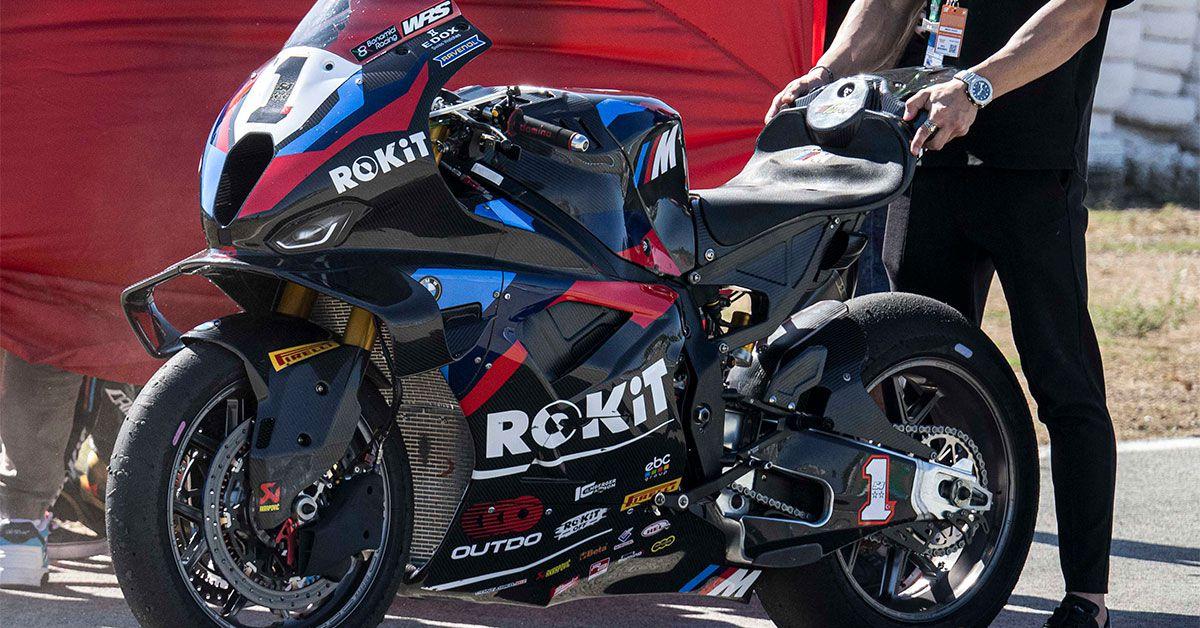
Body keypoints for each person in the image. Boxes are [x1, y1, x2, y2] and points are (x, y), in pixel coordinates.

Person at [767, 0, 1128, 626]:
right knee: (910, 386)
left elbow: (1076, 16)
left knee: (1063, 382)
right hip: (927, 160)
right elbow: (888, 6)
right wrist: (826, 75)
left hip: (1033, 173)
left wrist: (975, 86)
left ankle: (1086, 598)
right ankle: (906, 566)